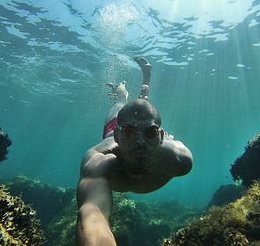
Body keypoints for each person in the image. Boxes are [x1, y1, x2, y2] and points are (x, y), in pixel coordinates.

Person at [76, 56, 193, 246]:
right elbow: (91, 215)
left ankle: (145, 86)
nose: (139, 142)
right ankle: (122, 93)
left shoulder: (179, 160)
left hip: (145, 134)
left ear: (161, 137)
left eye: (150, 133)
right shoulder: (102, 160)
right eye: (130, 132)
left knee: (141, 109)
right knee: (119, 105)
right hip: (115, 125)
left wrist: (144, 132)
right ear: (118, 136)